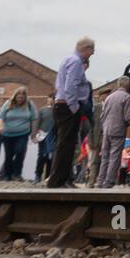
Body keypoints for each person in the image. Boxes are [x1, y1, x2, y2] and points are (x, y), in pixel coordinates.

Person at [48, 37, 95, 188]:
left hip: (62, 105)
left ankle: (64, 179)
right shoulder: (76, 62)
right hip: (68, 107)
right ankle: (57, 181)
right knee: (66, 146)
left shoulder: (67, 59)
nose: (92, 54)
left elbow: (60, 84)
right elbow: (70, 86)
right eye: (92, 51)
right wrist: (74, 107)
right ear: (86, 48)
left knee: (66, 145)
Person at [95, 77, 130, 188]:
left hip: (106, 129)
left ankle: (100, 181)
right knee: (114, 156)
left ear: (118, 84)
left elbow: (102, 116)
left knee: (105, 157)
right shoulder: (127, 97)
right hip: (118, 130)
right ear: (128, 85)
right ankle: (109, 181)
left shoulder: (109, 97)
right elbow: (128, 116)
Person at [0, 88, 38, 182]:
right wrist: (0, 127)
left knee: (20, 152)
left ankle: (17, 174)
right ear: (15, 97)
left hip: (22, 134)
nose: (20, 99)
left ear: (25, 97)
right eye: (18, 97)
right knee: (9, 155)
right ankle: (7, 175)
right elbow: (0, 117)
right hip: (7, 134)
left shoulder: (29, 105)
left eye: (22, 98)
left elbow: (34, 119)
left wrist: (33, 134)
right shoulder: (8, 103)